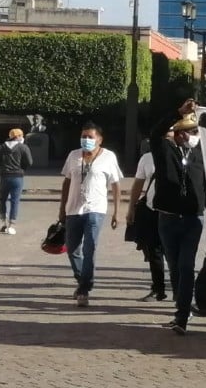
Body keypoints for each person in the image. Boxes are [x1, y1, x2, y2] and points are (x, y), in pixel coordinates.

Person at [151, 100, 206, 334]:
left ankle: (182, 316)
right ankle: (181, 308)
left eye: (193, 132)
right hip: (168, 218)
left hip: (193, 219)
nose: (188, 136)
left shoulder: (203, 156)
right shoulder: (165, 150)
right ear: (175, 134)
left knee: (186, 266)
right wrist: (177, 112)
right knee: (174, 267)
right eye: (183, 131)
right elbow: (155, 133)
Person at [57, 122, 122, 307]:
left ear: (99, 139)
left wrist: (117, 212)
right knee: (72, 249)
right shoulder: (73, 155)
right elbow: (67, 182)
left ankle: (84, 290)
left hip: (96, 209)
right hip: (73, 209)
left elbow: (116, 185)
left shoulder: (108, 157)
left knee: (90, 247)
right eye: (83, 136)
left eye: (90, 137)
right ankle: (83, 280)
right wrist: (62, 209)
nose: (86, 140)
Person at [127, 138, 166, 301]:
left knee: (178, 255)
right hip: (152, 210)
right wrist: (131, 207)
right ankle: (158, 288)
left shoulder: (188, 156)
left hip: (179, 213)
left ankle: (181, 292)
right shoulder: (148, 158)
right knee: (154, 251)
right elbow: (138, 183)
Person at [0, 128, 33, 234]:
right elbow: (29, 162)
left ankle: (4, 223)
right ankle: (11, 225)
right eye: (21, 136)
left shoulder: (1, 147)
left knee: (2, 200)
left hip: (4, 177)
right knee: (15, 201)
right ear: (18, 136)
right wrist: (22, 168)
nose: (22, 138)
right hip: (17, 177)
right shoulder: (23, 147)